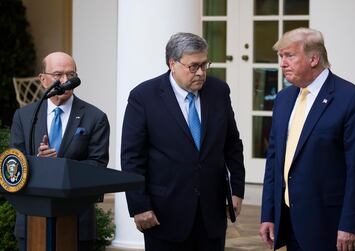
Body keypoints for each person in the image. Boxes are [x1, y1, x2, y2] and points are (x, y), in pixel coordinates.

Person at [121, 32, 245, 251]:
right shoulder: (144, 97)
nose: (201, 73)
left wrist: (236, 190)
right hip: (164, 214)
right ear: (172, 64)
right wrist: (139, 206)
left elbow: (232, 144)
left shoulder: (218, 91)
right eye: (193, 66)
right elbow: (132, 157)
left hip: (212, 213)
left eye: (205, 65)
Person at [259, 27, 355, 251]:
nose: (283, 63)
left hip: (334, 228)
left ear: (314, 58)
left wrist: (350, 224)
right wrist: (269, 214)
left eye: (289, 55)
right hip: (291, 223)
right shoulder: (284, 99)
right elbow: (274, 160)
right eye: (281, 57)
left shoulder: (352, 99)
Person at [10, 51, 110, 251]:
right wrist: (39, 162)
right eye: (58, 75)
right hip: (32, 222)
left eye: (70, 75)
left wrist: (59, 166)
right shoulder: (25, 115)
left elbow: (97, 166)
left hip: (77, 222)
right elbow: (15, 163)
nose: (65, 81)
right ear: (43, 79)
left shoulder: (95, 117)